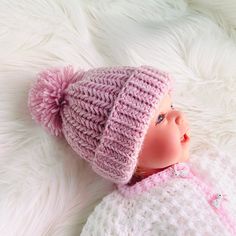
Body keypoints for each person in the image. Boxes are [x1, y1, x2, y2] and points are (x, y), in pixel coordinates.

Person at [28, 65, 236, 236]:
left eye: (171, 106)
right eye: (161, 119)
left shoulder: (214, 163)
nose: (179, 116)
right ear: (128, 154)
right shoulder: (122, 213)